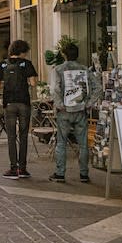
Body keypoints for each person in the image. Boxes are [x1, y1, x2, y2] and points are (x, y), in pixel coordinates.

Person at [48, 43, 101, 183]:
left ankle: (60, 173)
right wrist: (88, 103)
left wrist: (59, 105)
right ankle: (84, 174)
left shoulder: (58, 69)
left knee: (61, 143)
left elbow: (55, 89)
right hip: (80, 110)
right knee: (83, 143)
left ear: (64, 55)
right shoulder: (85, 70)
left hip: (64, 111)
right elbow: (98, 88)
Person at [0, 40, 38, 179]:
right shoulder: (27, 64)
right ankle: (23, 169)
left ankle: (13, 169)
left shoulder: (3, 64)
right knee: (23, 136)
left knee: (11, 137)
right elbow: (33, 83)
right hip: (24, 103)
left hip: (9, 104)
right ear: (23, 52)